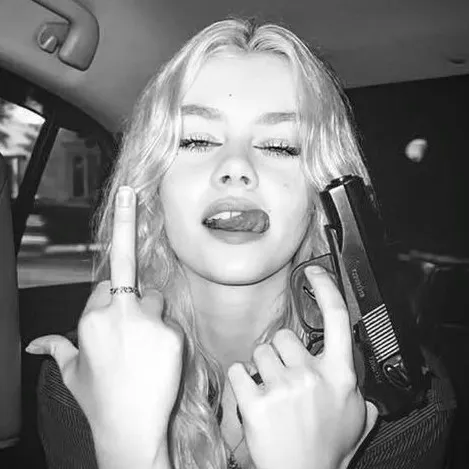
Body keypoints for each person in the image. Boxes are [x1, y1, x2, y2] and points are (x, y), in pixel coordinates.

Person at [26, 18, 455, 469]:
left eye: (280, 146)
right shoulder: (83, 382)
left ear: (323, 195)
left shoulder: (400, 406)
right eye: (196, 139)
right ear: (152, 185)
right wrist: (125, 440)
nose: (236, 167)